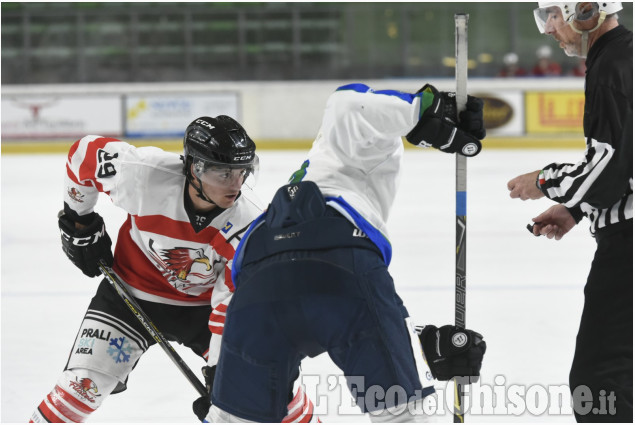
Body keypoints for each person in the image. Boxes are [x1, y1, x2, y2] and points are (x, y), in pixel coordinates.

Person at [203, 83, 488, 422]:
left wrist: (221, 373)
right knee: (398, 413)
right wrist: (426, 106)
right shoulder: (348, 148)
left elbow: (269, 295)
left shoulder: (308, 175)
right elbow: (347, 102)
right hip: (339, 255)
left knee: (234, 420)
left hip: (255, 279)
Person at [30, 116, 317, 423]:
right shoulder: (142, 176)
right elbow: (82, 155)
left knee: (276, 393)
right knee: (79, 388)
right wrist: (79, 220)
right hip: (129, 295)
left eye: (241, 172)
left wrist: (221, 373)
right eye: (224, 173)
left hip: (205, 312)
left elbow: (230, 306)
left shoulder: (247, 227)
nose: (236, 184)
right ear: (196, 169)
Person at [508, 2, 632, 422]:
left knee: (599, 382)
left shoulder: (612, 64)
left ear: (586, 11)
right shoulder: (624, 54)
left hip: (627, 248)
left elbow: (609, 171)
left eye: (553, 16)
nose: (548, 30)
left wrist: (543, 179)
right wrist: (576, 208)